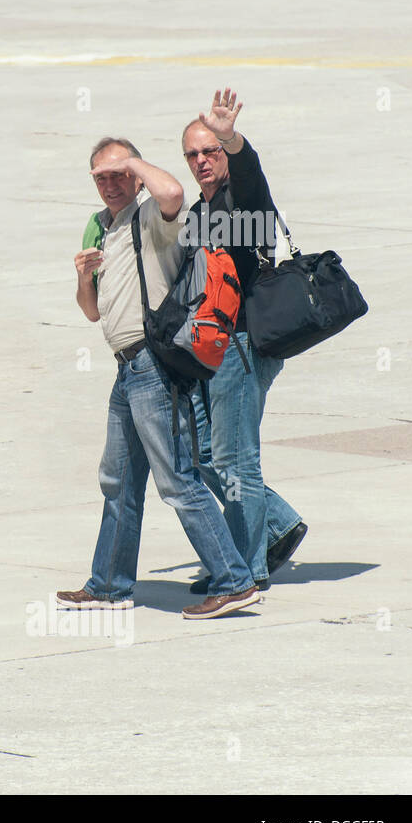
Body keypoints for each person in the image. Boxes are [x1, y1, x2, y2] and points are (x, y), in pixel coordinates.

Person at [58, 137, 261, 619]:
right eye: (100, 178)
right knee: (119, 481)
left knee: (176, 481)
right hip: (125, 369)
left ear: (134, 175)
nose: (110, 185)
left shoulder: (151, 217)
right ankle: (108, 585)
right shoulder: (101, 229)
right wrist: (84, 277)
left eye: (118, 175)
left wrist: (130, 160)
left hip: (152, 365)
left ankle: (233, 581)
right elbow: (90, 313)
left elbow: (171, 194)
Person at [181, 89, 308, 594]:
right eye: (192, 153)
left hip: (244, 344)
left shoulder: (244, 196)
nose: (201, 161)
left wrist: (231, 136)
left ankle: (245, 570)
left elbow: (251, 172)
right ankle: (275, 525)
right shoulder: (198, 211)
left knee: (236, 459)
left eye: (209, 150)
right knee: (206, 455)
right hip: (210, 350)